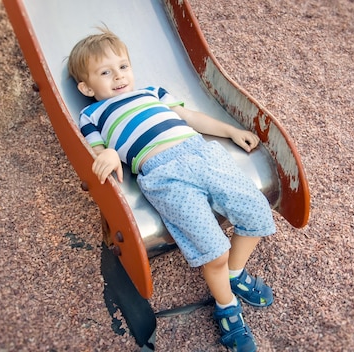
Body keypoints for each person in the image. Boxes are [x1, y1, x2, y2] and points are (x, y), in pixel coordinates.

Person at [67, 27, 276, 352]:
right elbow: (95, 151)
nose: (118, 76)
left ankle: (234, 272)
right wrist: (107, 153)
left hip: (203, 154)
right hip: (164, 175)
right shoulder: (92, 113)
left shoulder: (151, 92)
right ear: (85, 86)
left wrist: (230, 131)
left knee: (256, 211)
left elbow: (189, 117)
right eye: (105, 72)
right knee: (213, 250)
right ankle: (227, 305)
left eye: (123, 66)